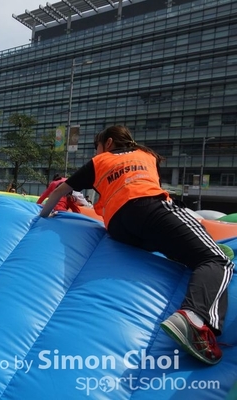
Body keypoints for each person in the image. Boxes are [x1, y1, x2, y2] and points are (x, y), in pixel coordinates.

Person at [38, 125, 234, 365]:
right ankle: (194, 318)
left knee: (174, 241)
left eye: (96, 146)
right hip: (150, 208)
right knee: (218, 260)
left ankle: (189, 252)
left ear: (108, 143)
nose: (96, 151)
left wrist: (42, 217)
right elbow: (151, 188)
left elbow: (60, 190)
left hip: (119, 227)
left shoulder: (99, 162)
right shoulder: (146, 154)